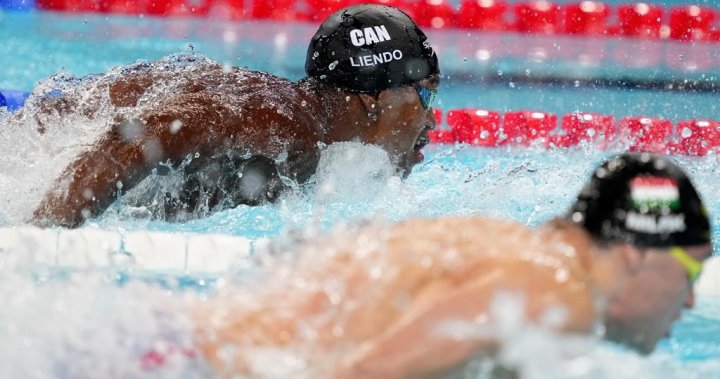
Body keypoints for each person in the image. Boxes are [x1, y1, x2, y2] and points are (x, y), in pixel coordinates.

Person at [188, 153, 712, 378]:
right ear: (639, 252)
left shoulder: (516, 253)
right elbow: (369, 371)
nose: (689, 299)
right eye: (691, 272)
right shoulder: (557, 291)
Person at [29, 4, 440, 227]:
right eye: (426, 96)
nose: (431, 121)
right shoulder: (285, 124)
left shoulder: (303, 126)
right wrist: (38, 238)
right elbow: (142, 134)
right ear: (375, 99)